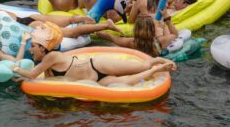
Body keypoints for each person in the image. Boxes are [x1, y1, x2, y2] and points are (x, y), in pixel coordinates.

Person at [12, 27, 176, 86]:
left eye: (33, 46)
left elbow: (33, 74)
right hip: (96, 81)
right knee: (128, 81)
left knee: (141, 66)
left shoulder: (52, 56)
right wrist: (24, 78)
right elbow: (41, 79)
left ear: (43, 47)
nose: (31, 50)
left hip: (97, 65)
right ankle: (160, 68)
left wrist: (15, 69)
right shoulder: (48, 65)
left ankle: (160, 60)